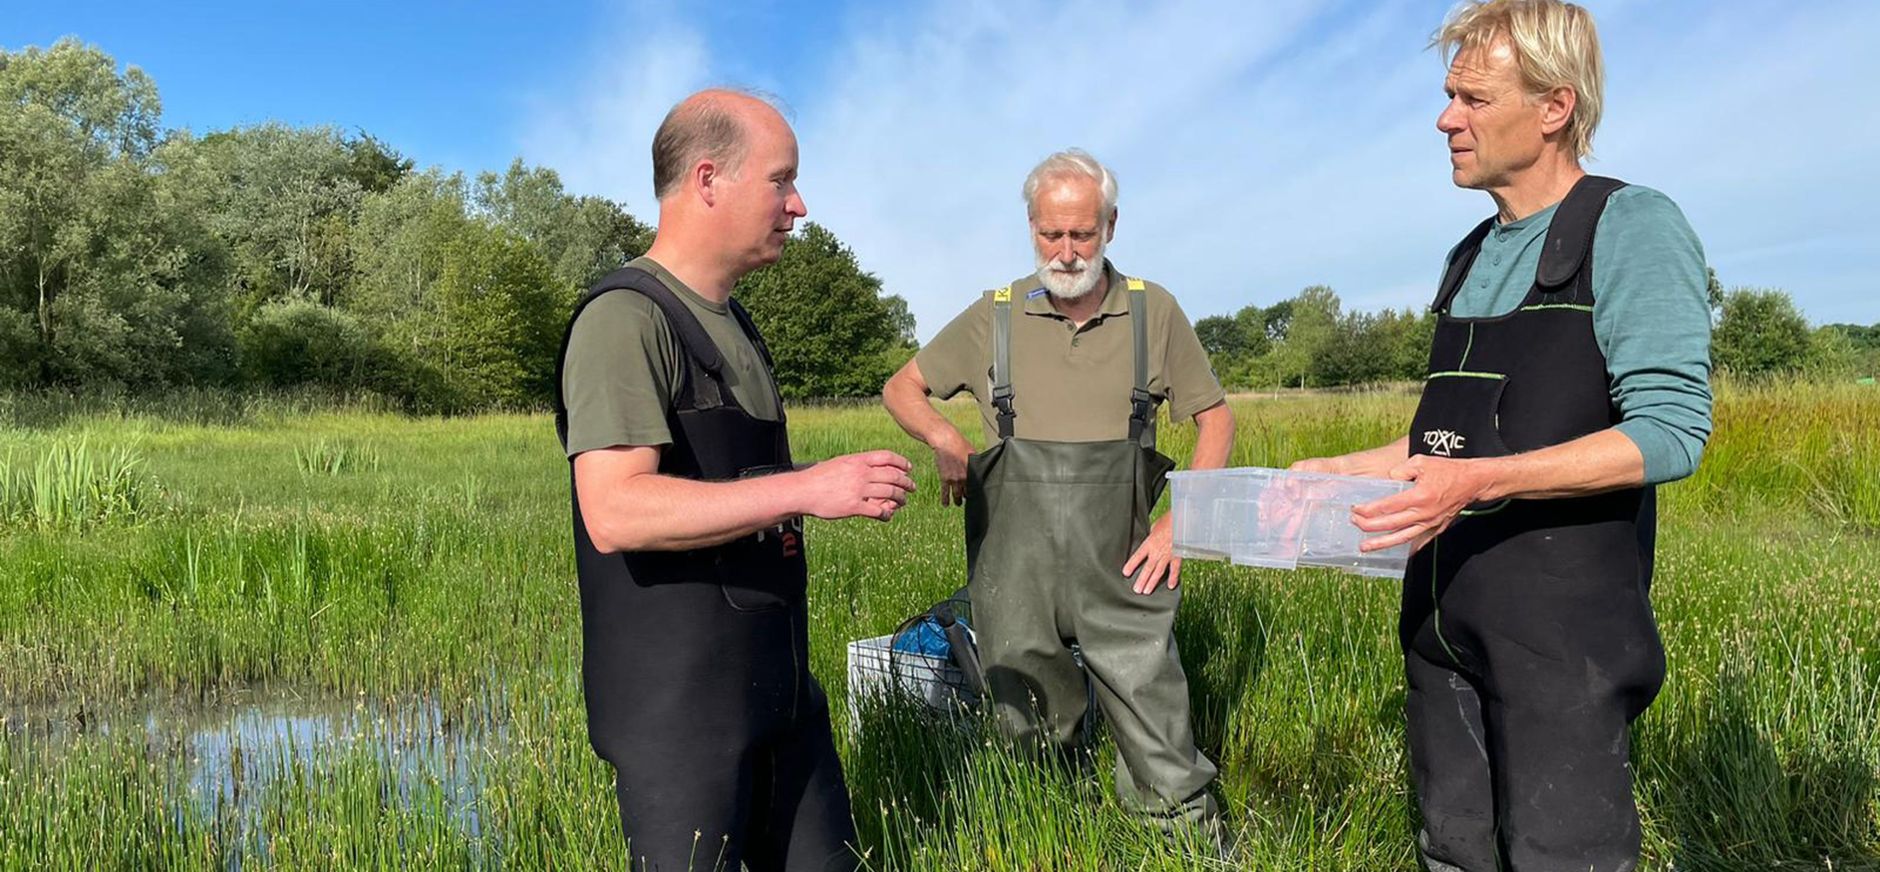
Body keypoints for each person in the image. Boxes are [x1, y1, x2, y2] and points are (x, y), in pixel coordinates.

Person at [1292, 2, 1713, 869]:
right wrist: (1341, 469)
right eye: (1450, 95)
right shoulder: (1471, 252)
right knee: (1452, 850)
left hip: (1563, 644)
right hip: (1442, 626)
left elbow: (1671, 433)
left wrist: (1480, 484)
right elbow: (1444, 443)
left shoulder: (1629, 226)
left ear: (1555, 107)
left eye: (1474, 99)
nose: (1447, 118)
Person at [553, 88, 915, 872]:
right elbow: (614, 510)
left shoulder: (736, 323)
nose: (799, 204)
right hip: (679, 723)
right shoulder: (626, 320)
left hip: (777, 697)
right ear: (709, 179)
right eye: (781, 180)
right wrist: (804, 488)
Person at [881, 149, 1234, 833]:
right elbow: (902, 388)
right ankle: (1052, 831)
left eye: (1083, 234)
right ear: (1031, 227)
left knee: (1153, 712)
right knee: (1028, 724)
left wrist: (1183, 522)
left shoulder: (1152, 310)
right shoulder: (997, 315)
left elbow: (1215, 419)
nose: (1067, 252)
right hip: (1016, 567)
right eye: (1051, 234)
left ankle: (1187, 841)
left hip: (1125, 559)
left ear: (1111, 225)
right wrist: (946, 439)